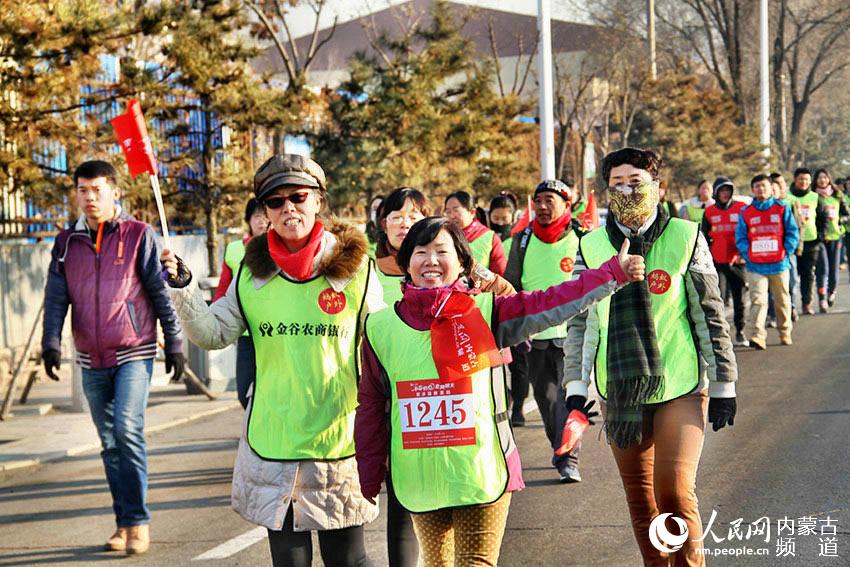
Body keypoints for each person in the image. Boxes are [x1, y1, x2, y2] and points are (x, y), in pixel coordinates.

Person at [355, 216, 644, 567]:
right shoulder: (381, 327)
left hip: (482, 475)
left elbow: (549, 303)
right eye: (421, 252)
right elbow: (371, 404)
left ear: (462, 262)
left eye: (442, 251)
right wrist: (369, 473)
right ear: (406, 264)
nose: (431, 260)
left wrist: (610, 273)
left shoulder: (489, 312)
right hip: (421, 480)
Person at [161, 154, 381, 567]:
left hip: (339, 440)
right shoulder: (251, 273)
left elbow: (385, 343)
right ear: (264, 212)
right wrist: (183, 287)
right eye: (275, 202)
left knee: (348, 562)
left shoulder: (357, 272)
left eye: (298, 196)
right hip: (273, 443)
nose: (288, 209)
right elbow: (212, 333)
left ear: (318, 201)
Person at [566, 147, 738, 566]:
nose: (627, 190)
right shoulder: (589, 247)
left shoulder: (686, 235)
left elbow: (710, 315)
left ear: (656, 187)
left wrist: (723, 384)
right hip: (620, 389)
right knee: (642, 502)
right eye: (617, 184)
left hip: (678, 383)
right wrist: (576, 386)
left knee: (674, 490)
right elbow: (581, 323)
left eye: (636, 182)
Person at [41, 160, 185, 555]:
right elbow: (56, 297)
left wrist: (174, 341)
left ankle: (138, 522)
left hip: (134, 349)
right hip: (90, 355)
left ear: (114, 192)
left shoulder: (139, 234)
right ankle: (123, 522)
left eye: (98, 189)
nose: (90, 197)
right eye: (83, 190)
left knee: (126, 430)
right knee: (108, 442)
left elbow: (158, 290)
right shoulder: (66, 242)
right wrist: (50, 341)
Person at [503, 179, 587, 482]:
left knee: (571, 399)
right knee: (548, 400)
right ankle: (560, 447)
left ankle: (569, 458)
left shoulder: (582, 237)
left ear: (566, 204)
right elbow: (510, 285)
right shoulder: (522, 239)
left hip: (574, 337)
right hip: (534, 339)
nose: (542, 206)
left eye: (549, 200)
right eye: (538, 200)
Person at [212, 199, 268, 409]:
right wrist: (216, 320)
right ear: (248, 221)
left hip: (275, 331)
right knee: (244, 392)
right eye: (256, 216)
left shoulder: (281, 248)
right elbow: (223, 289)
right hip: (245, 333)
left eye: (265, 215)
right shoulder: (235, 249)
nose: (262, 221)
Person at [735, 174, 800, 350]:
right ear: (752, 190)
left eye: (764, 186)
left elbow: (793, 233)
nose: (760, 189)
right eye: (757, 186)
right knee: (758, 301)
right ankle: (757, 336)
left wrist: (786, 250)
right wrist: (747, 254)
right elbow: (740, 236)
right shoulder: (746, 212)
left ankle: (785, 331)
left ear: (772, 188)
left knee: (782, 300)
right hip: (755, 266)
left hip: (779, 264)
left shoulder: (781, 208)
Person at [488, 192, 530, 426]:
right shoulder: (485, 237)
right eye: (496, 217)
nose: (501, 222)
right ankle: (504, 397)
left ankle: (519, 408)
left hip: (513, 305)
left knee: (519, 363)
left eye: (505, 218)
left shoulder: (518, 239)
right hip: (488, 307)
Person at [701, 177, 748, 346]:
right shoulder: (709, 212)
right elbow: (704, 237)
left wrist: (744, 254)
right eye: (722, 191)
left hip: (737, 260)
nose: (725, 194)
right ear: (716, 193)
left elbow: (748, 232)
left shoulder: (741, 208)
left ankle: (740, 331)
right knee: (716, 298)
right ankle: (720, 333)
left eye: (728, 190)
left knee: (739, 298)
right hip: (716, 261)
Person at [785, 168, 827, 315]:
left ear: (810, 181)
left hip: (811, 242)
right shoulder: (787, 198)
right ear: (795, 180)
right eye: (801, 179)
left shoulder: (815, 197)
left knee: (808, 275)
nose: (804, 182)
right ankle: (790, 306)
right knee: (791, 276)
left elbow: (823, 219)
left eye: (806, 180)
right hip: (791, 243)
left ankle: (806, 303)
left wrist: (820, 236)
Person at [444, 191, 507, 274]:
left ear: (472, 212)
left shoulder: (490, 237)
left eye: (456, 211)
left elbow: (499, 272)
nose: (452, 216)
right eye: (448, 212)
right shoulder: (443, 236)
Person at [812, 169, 848, 309]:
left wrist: (839, 220)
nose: (822, 180)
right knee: (822, 269)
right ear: (815, 180)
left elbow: (846, 215)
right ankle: (822, 298)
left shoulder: (837, 196)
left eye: (825, 177)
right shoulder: (813, 196)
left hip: (836, 237)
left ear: (829, 179)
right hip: (820, 238)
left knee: (833, 270)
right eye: (820, 178)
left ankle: (831, 292)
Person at [770, 172, 800, 321]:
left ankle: (792, 308)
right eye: (774, 185)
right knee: (770, 288)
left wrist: (790, 249)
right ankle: (773, 315)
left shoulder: (788, 203)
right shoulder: (758, 207)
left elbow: (798, 227)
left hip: (786, 253)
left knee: (791, 282)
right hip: (766, 256)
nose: (778, 188)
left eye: (780, 184)